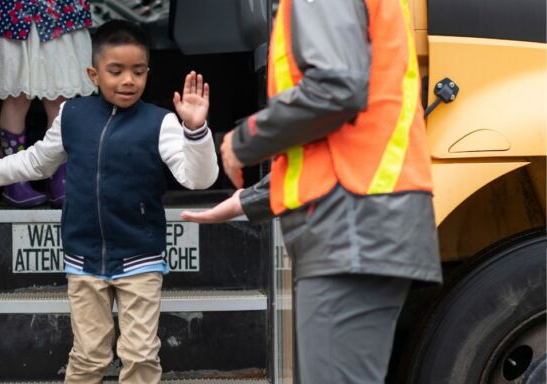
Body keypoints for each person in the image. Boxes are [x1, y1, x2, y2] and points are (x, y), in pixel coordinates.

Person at [182, 0, 442, 382]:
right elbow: (343, 138)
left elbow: (335, 89)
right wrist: (248, 200)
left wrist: (244, 140)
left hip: (350, 224)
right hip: (366, 218)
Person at [0, 20, 219, 384]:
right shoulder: (72, 116)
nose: (128, 80)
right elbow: (36, 161)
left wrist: (196, 130)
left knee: (140, 356)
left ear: (148, 73)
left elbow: (199, 179)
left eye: (138, 72)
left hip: (139, 258)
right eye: (116, 71)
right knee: (88, 356)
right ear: (93, 74)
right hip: (83, 259)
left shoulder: (162, 122)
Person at [0, 0, 96, 208]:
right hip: (10, 12)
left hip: (59, 12)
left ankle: (62, 179)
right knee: (17, 99)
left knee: (59, 99)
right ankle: (14, 181)